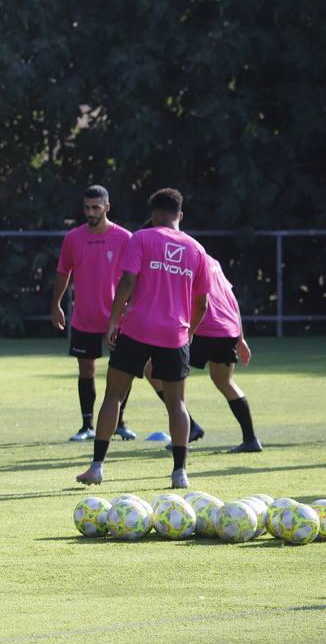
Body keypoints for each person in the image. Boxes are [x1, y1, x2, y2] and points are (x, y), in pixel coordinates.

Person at [76, 188, 211, 490]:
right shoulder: (196, 250)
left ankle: (97, 467)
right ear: (180, 215)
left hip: (137, 328)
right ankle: (179, 473)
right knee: (177, 404)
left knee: (113, 395)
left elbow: (127, 281)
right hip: (175, 334)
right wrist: (188, 332)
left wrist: (113, 322)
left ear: (154, 214)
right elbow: (203, 303)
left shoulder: (142, 238)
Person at [50, 186, 138, 442]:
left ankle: (119, 423)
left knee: (123, 370)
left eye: (95, 207)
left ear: (107, 207)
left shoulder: (125, 238)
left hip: (117, 319)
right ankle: (87, 425)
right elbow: (63, 272)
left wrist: (134, 307)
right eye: (87, 207)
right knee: (86, 369)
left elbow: (135, 278)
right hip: (84, 317)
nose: (90, 212)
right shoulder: (73, 238)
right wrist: (55, 304)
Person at [148, 257, 261, 453]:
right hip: (228, 328)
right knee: (224, 381)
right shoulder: (212, 261)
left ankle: (188, 427)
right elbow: (230, 298)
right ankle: (251, 440)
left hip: (204, 328)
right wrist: (240, 338)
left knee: (153, 370)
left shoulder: (178, 261)